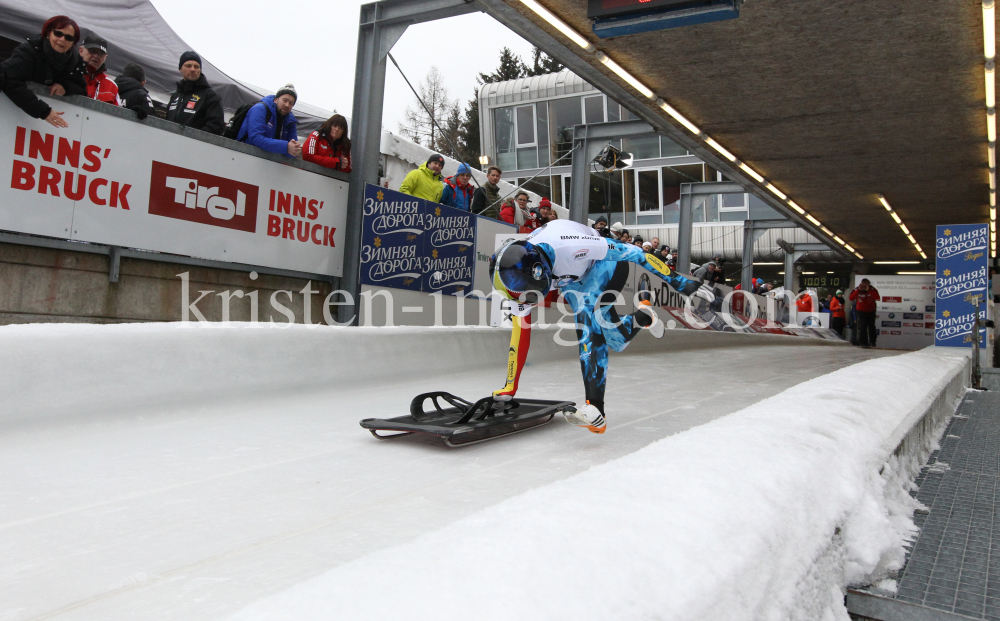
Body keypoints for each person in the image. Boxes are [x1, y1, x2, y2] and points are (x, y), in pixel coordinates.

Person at [489, 219, 714, 434]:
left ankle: (595, 409)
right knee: (617, 340)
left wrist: (682, 283)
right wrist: (510, 385)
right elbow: (520, 334)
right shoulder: (513, 282)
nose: (528, 300)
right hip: (574, 281)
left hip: (605, 264)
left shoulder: (572, 245)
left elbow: (636, 254)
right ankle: (643, 316)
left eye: (533, 293)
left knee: (586, 319)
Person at [1, 15, 87, 128]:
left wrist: (65, 87)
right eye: (58, 34)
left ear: (73, 43)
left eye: (68, 38)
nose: (62, 40)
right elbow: (9, 78)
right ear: (48, 33)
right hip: (10, 120)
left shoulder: (75, 62)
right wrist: (43, 111)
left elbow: (82, 89)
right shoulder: (29, 51)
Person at [166, 51, 224, 135]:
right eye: (188, 66)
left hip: (194, 146)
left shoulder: (210, 95)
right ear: (180, 69)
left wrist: (191, 137)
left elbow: (216, 127)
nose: (193, 69)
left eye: (196, 67)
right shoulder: (175, 96)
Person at [236, 84, 300, 158]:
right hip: (244, 156)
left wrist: (294, 149)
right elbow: (255, 138)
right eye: (284, 100)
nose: (287, 105)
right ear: (276, 100)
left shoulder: (291, 121)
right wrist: (286, 147)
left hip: (269, 164)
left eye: (291, 103)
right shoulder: (260, 109)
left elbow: (292, 152)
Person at [79, 33, 119, 106]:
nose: (96, 56)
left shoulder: (111, 86)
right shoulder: (68, 74)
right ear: (81, 51)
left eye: (101, 53)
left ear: (105, 57)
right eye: (92, 51)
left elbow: (118, 114)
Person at [849, 279, 881, 347]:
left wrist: (868, 290)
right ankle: (863, 343)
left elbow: (877, 297)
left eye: (866, 284)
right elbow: (851, 298)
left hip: (871, 311)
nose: (864, 286)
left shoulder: (872, 289)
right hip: (861, 311)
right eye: (863, 284)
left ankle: (872, 342)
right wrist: (858, 291)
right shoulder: (856, 289)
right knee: (862, 327)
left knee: (871, 326)